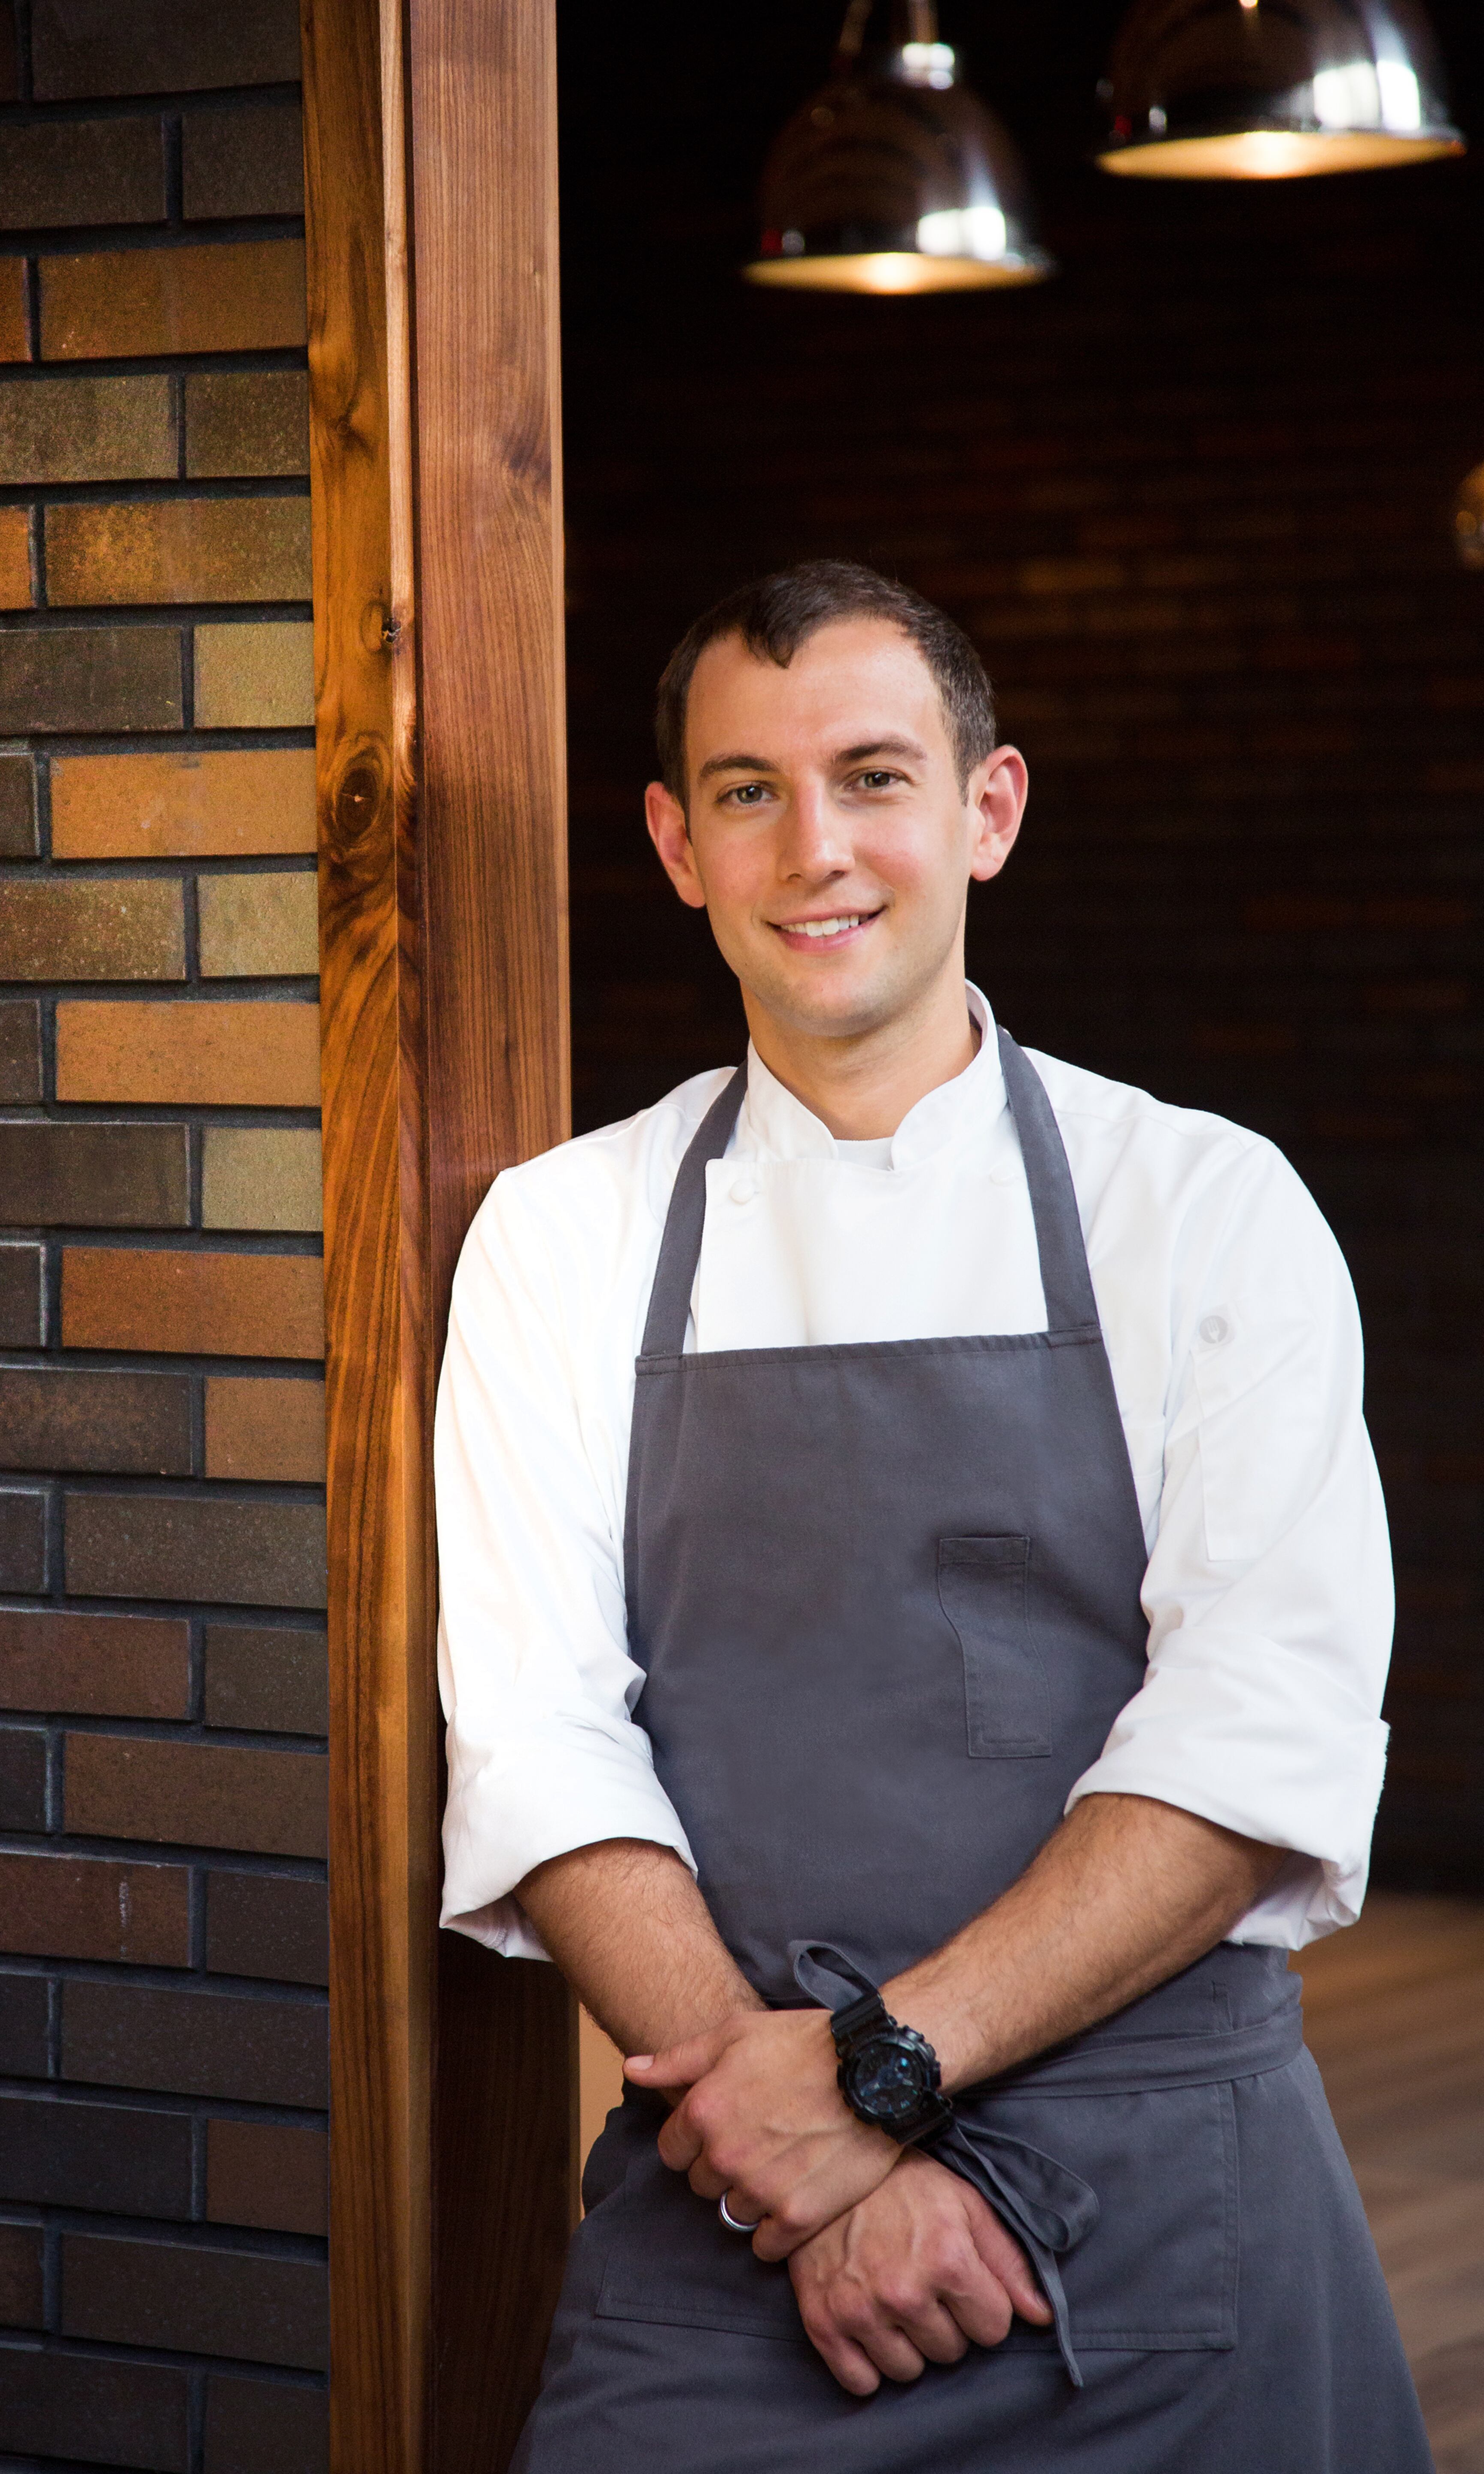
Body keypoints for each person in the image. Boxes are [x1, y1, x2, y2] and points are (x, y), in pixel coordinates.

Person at [434, 560, 1429, 2471]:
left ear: (989, 810)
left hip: (1160, 2210)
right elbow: (543, 1743)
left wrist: (878, 2077)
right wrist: (801, 2157)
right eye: (746, 791)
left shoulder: (1206, 1206)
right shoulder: (564, 1237)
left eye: (874, 776)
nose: (816, 849)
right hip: (733, 2199)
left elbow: (1252, 1743)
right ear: (672, 844)